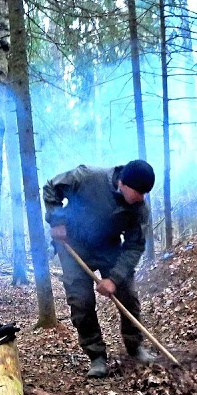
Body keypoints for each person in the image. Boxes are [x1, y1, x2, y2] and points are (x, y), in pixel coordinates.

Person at [43, 160, 157, 378]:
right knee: (81, 302)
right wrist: (57, 221)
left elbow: (134, 245)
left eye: (145, 193)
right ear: (122, 183)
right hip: (73, 244)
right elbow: (51, 187)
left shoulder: (139, 208)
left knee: (128, 295)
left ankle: (135, 348)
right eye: (138, 192)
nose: (141, 198)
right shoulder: (87, 177)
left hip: (109, 247)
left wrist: (113, 279)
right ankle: (96, 356)